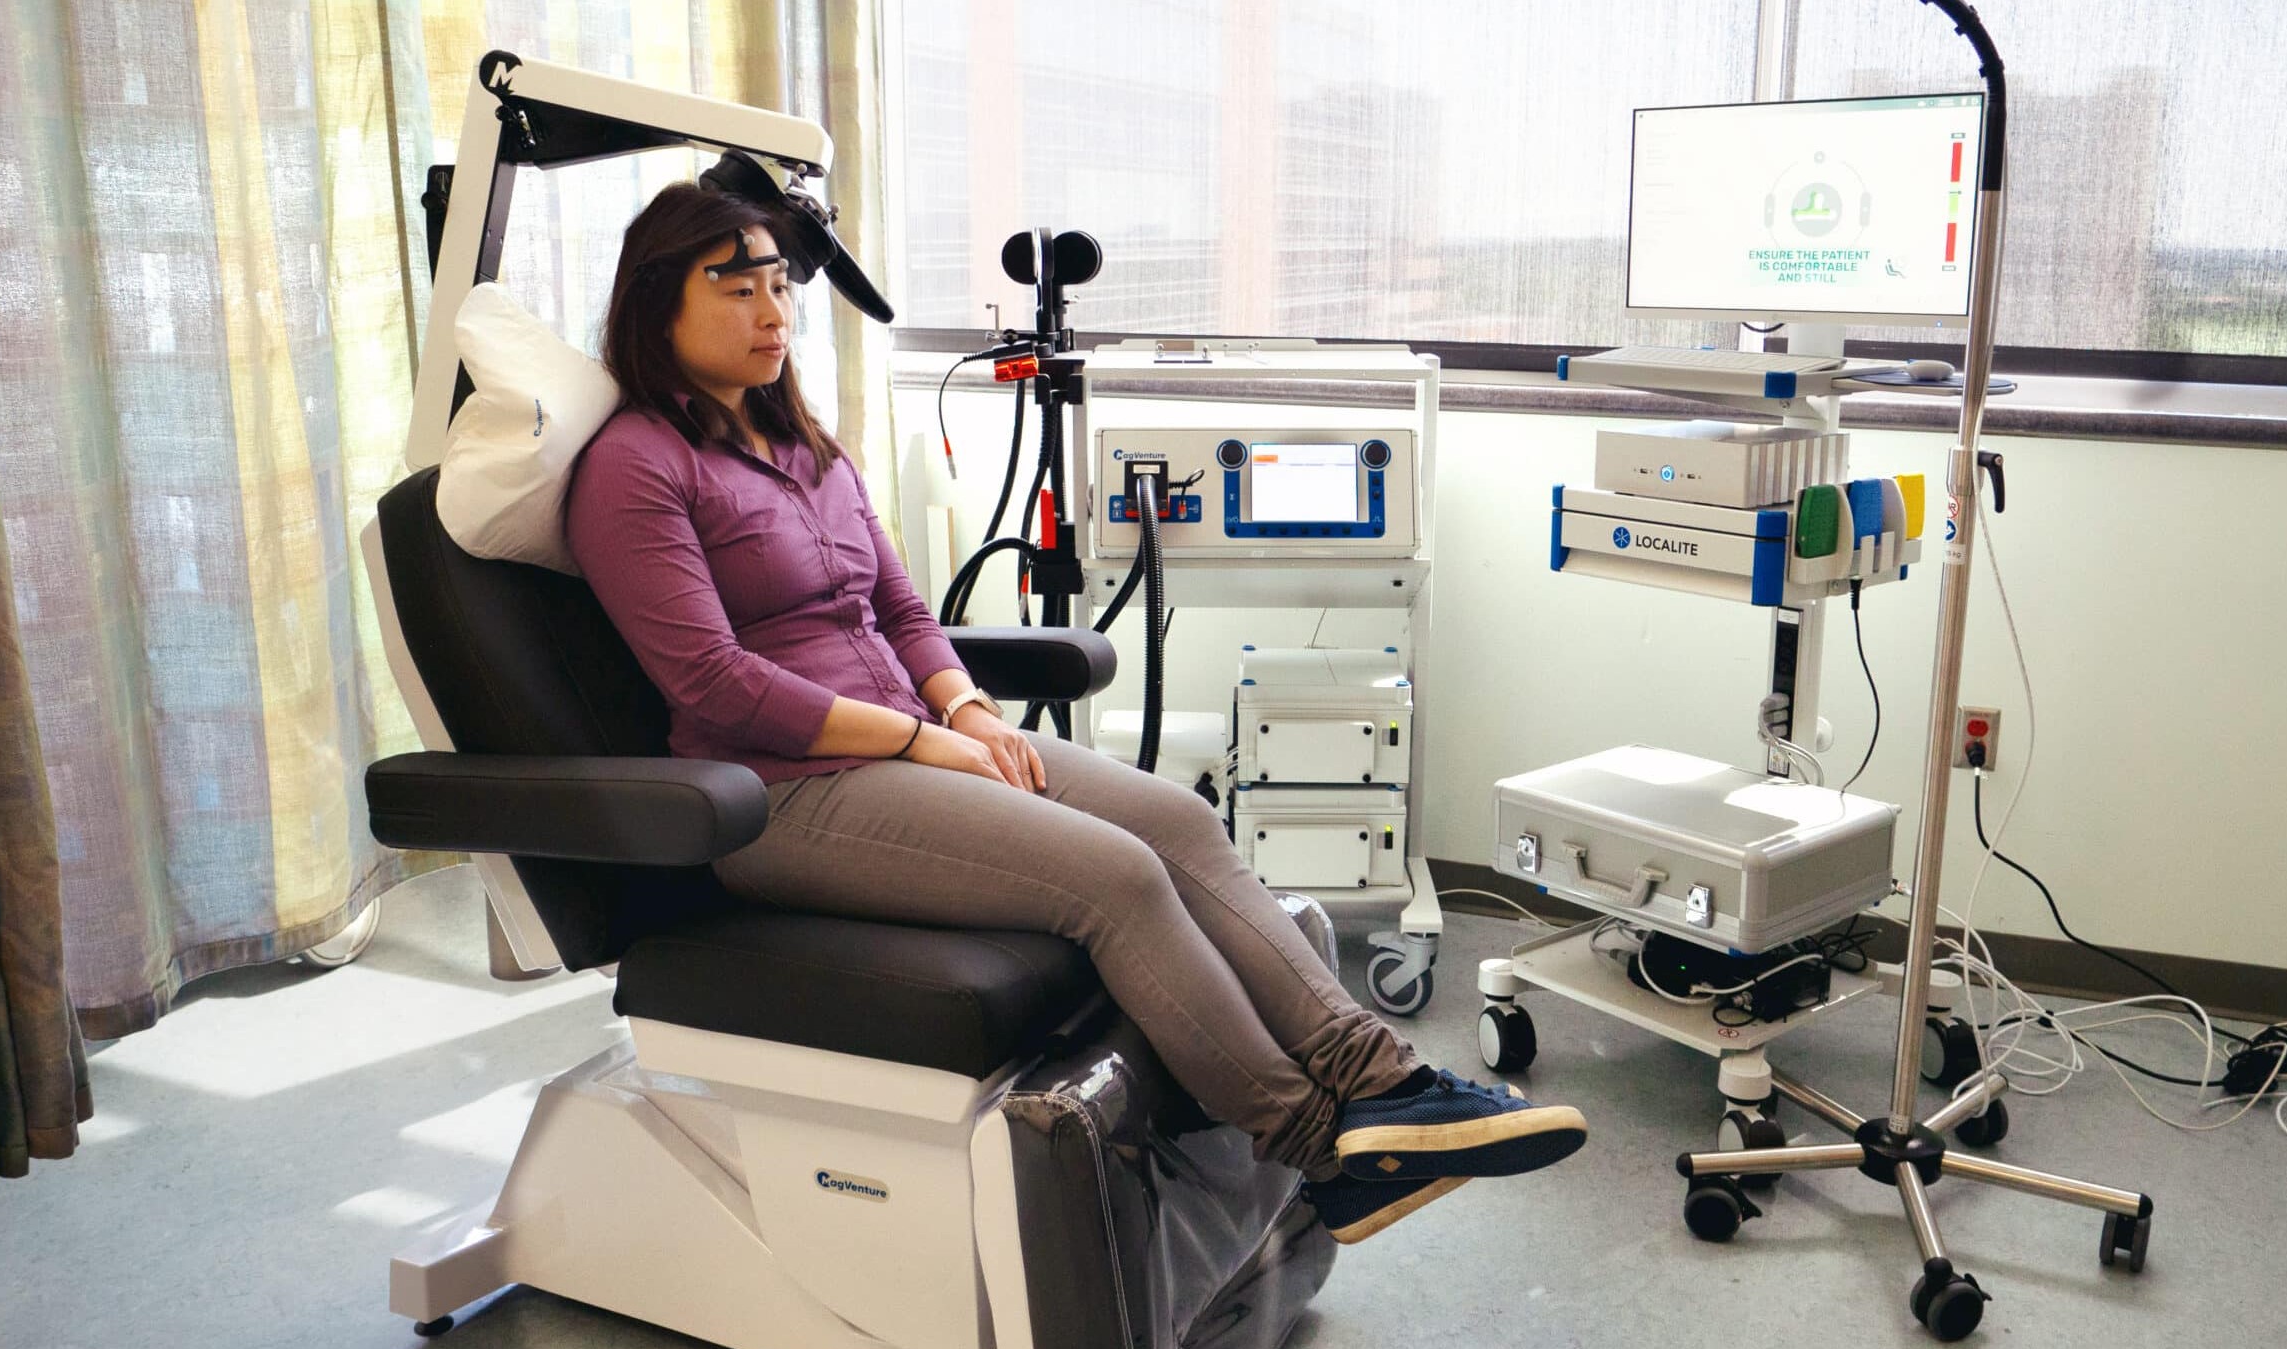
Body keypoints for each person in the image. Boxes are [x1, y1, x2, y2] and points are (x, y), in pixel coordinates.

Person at [564, 182, 1586, 1244]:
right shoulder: (633, 469)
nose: (774, 313)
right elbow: (714, 683)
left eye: (780, 284)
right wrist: (924, 737)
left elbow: (903, 610)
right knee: (1114, 877)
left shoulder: (805, 445)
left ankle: (1381, 1079)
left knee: (1181, 825)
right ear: (655, 305)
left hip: (910, 745)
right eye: (736, 288)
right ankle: (1315, 1146)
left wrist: (968, 707)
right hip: (782, 796)